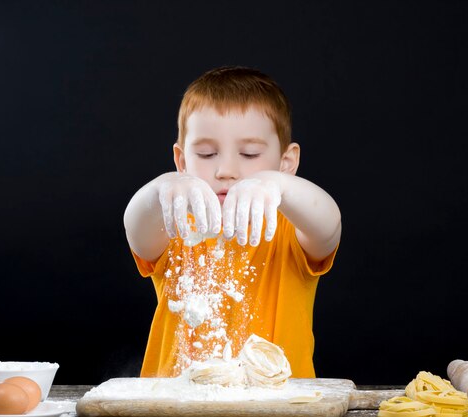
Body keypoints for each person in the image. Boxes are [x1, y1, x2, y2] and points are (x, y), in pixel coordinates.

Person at [123, 66, 341, 379]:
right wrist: (161, 189)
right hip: (176, 406)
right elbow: (136, 231)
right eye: (207, 153)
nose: (226, 169)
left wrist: (277, 185)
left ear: (287, 162)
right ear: (182, 161)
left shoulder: (290, 231)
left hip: (280, 409)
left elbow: (329, 226)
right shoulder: (176, 228)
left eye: (250, 154)